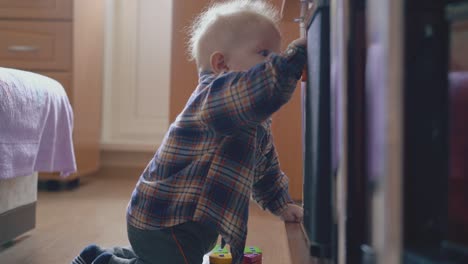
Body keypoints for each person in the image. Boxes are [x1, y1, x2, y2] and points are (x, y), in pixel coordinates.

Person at [72, 0, 306, 263]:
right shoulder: (214, 98)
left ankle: (102, 256)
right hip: (165, 221)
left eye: (275, 56)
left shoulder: (252, 122)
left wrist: (281, 204)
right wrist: (294, 58)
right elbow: (268, 86)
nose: (272, 63)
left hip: (191, 223)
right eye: (265, 54)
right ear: (222, 64)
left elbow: (264, 170)